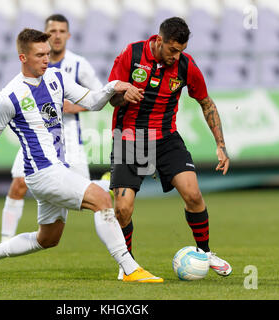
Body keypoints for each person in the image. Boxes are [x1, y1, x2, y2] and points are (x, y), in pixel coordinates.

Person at [0, 28, 163, 283]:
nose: (46, 59)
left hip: (56, 169)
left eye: (48, 54)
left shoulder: (56, 78)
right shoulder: (8, 98)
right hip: (42, 172)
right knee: (101, 199)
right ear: (23, 58)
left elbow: (94, 102)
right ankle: (130, 269)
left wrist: (111, 87)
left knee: (48, 239)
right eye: (39, 54)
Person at [108, 17, 232, 279]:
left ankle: (205, 252)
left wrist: (220, 145)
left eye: (181, 51)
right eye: (172, 50)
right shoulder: (132, 54)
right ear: (159, 40)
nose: (176, 56)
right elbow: (111, 96)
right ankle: (128, 265)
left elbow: (206, 103)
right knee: (122, 209)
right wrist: (123, 94)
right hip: (129, 138)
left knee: (193, 194)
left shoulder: (186, 66)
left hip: (166, 138)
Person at [0, 14, 110, 243]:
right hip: (35, 137)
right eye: (53, 31)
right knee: (18, 184)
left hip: (68, 137)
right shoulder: (33, 62)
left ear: (68, 35)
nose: (57, 36)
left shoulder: (79, 64)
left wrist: (74, 107)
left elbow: (99, 96)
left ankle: (111, 181)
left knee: (86, 190)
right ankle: (5, 239)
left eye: (62, 31)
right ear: (45, 34)